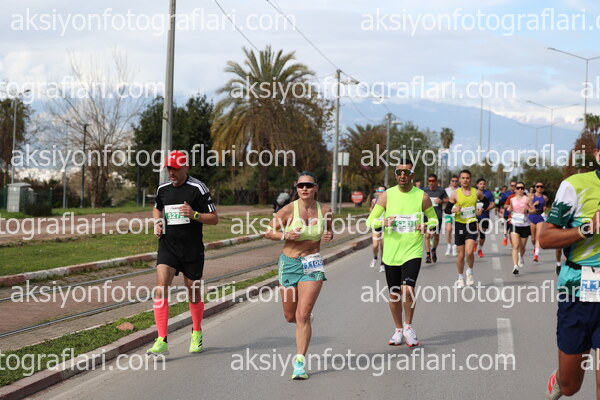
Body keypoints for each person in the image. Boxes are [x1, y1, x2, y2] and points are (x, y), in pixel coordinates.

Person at [541, 137, 600, 399]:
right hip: (578, 290)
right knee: (570, 386)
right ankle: (560, 378)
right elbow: (545, 238)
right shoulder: (575, 186)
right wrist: (586, 229)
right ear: (597, 154)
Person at [147, 151, 219, 356]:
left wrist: (194, 214)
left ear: (186, 167)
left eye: (175, 169)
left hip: (191, 250)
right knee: (161, 287)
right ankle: (162, 339)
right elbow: (157, 208)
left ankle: (196, 332)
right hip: (168, 246)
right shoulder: (163, 189)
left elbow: (214, 218)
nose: (171, 172)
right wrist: (157, 222)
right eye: (169, 168)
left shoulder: (198, 188)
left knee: (193, 293)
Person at [265, 171, 333, 380]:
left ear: (316, 188)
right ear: (296, 188)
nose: (304, 188)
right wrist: (285, 234)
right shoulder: (288, 210)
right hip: (289, 264)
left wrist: (329, 234)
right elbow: (268, 231)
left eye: (309, 185)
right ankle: (304, 319)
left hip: (312, 263)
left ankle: (299, 363)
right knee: (290, 316)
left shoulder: (325, 210)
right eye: (301, 185)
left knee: (302, 315)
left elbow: (329, 231)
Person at [367, 160, 438, 347]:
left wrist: (426, 225)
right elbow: (370, 221)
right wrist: (383, 222)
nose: (403, 175)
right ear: (396, 174)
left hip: (412, 250)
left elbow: (434, 220)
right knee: (394, 294)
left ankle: (408, 326)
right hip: (391, 253)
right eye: (399, 172)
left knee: (408, 289)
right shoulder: (387, 195)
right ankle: (398, 329)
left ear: (412, 174)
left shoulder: (422, 196)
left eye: (406, 172)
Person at [444, 170, 491, 288]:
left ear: (470, 179)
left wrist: (481, 210)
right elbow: (447, 210)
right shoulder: (455, 194)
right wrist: (454, 210)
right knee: (461, 255)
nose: (465, 180)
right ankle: (460, 277)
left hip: (471, 224)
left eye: (467, 178)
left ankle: (470, 271)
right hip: (460, 225)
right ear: (460, 179)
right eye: (463, 178)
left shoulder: (476, 192)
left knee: (469, 252)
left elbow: (486, 202)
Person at [506, 182, 535, 275]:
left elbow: (534, 210)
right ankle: (515, 266)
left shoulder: (527, 199)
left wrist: (527, 210)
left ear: (524, 189)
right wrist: (509, 209)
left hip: (525, 225)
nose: (520, 190)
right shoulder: (512, 199)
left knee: (522, 247)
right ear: (515, 189)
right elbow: (510, 208)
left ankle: (521, 256)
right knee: (515, 246)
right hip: (514, 224)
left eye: (522, 188)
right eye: (518, 188)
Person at [423, 174, 448, 263]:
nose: (431, 183)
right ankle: (428, 255)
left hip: (437, 216)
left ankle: (433, 249)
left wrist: (441, 201)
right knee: (427, 235)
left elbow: (448, 199)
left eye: (433, 181)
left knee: (436, 235)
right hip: (427, 217)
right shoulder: (425, 191)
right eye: (429, 181)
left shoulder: (441, 190)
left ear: (436, 181)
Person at [475, 178, 496, 258]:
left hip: (485, 215)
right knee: (475, 230)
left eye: (483, 184)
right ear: (477, 185)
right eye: (480, 184)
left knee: (482, 234)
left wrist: (484, 210)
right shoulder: (473, 192)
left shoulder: (488, 193)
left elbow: (493, 205)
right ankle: (475, 241)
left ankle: (480, 249)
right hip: (475, 216)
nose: (482, 185)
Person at [528, 181, 549, 262]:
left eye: (541, 186)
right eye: (537, 186)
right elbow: (528, 208)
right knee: (533, 238)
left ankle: (536, 255)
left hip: (540, 217)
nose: (539, 188)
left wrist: (544, 208)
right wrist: (534, 204)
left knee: (538, 237)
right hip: (532, 216)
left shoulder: (545, 198)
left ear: (543, 189)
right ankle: (534, 247)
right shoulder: (531, 196)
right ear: (535, 188)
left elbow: (545, 205)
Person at [370, 186, 386, 271]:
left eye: (382, 190)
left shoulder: (388, 201)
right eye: (379, 190)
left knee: (382, 246)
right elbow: (371, 208)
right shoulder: (374, 200)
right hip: (376, 224)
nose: (380, 192)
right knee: (375, 245)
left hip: (384, 225)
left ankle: (382, 264)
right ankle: (375, 257)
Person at [444, 175, 459, 256]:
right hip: (448, 213)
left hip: (458, 213)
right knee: (449, 229)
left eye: (456, 181)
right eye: (453, 181)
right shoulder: (446, 190)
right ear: (450, 181)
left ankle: (455, 246)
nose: (454, 182)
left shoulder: (460, 190)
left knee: (457, 231)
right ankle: (449, 245)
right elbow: (443, 199)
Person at [499, 181, 516, 247]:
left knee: (512, 230)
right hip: (507, 214)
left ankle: (512, 243)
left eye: (514, 185)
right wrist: (502, 209)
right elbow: (501, 203)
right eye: (512, 185)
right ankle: (505, 237)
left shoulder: (519, 194)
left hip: (515, 215)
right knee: (506, 229)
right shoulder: (505, 194)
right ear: (510, 186)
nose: (513, 187)